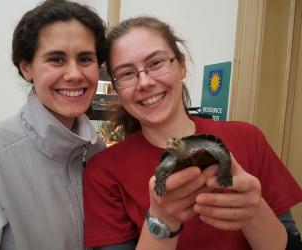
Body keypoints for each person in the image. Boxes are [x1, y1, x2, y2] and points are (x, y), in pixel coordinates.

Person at [83, 16, 302, 250]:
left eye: (156, 63)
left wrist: (253, 210)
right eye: (127, 74)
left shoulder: (247, 139)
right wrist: (162, 221)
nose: (144, 82)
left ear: (182, 65)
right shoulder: (103, 171)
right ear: (117, 89)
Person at [0, 1, 106, 249]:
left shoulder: (98, 152)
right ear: (26, 67)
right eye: (56, 59)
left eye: (85, 59)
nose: (74, 74)